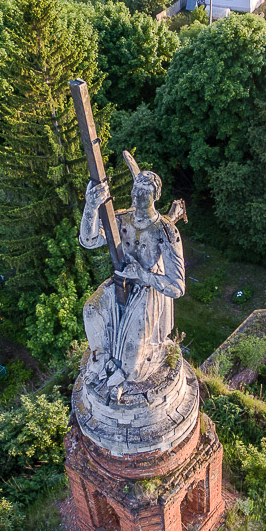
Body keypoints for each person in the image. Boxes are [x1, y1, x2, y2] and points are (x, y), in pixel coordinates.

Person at [79, 152, 185, 387]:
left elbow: (177, 287)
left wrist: (142, 274)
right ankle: (101, 359)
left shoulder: (165, 231)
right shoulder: (121, 219)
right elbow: (89, 240)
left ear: (155, 195)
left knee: (132, 363)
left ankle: (137, 364)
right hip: (120, 281)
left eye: (144, 192)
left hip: (148, 290)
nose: (137, 195)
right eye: (135, 189)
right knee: (91, 311)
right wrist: (91, 207)